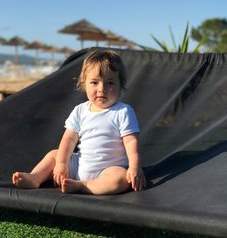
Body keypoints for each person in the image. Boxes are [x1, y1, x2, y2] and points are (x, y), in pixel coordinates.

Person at [12, 49, 146, 195]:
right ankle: (35, 178)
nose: (102, 89)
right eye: (95, 82)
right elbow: (68, 139)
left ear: (121, 86)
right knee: (53, 155)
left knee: (120, 179)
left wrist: (134, 167)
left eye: (110, 83)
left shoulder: (123, 112)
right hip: (79, 166)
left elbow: (131, 142)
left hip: (108, 170)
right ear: (84, 84)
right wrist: (62, 164)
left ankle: (83, 185)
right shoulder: (80, 110)